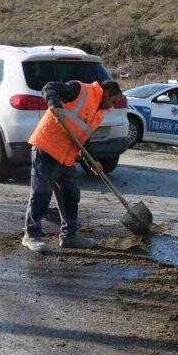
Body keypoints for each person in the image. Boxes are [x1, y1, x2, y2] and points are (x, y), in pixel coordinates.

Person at [22, 79, 126, 252]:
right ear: (106, 92)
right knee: (41, 194)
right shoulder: (80, 90)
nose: (112, 107)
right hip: (47, 148)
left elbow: (83, 139)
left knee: (71, 195)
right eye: (113, 102)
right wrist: (55, 105)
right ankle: (31, 235)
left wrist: (92, 160)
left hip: (66, 156)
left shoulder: (98, 112)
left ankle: (70, 236)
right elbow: (49, 86)